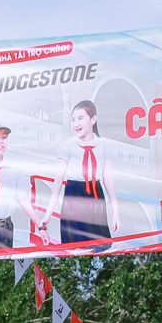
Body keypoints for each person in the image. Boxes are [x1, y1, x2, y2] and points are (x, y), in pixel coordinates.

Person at [53, 99, 114, 247]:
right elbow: (58, 180)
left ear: (93, 119)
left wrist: (116, 212)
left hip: (95, 193)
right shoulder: (67, 146)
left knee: (99, 244)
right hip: (74, 193)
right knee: (76, 244)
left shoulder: (104, 145)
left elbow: (108, 178)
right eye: (73, 120)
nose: (76, 124)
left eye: (80, 118)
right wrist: (47, 215)